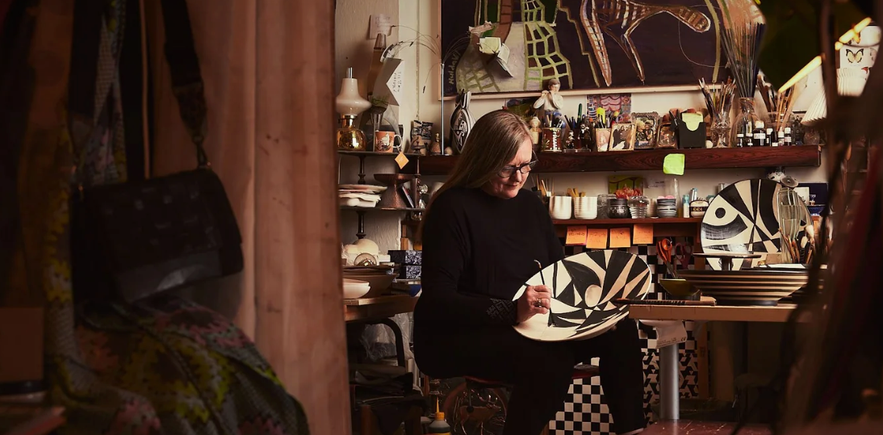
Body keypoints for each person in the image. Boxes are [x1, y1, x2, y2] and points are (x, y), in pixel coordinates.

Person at [413, 110, 647, 435]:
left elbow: (559, 275)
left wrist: (595, 308)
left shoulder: (530, 206)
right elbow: (439, 301)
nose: (519, 176)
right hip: (458, 334)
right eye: (508, 167)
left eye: (526, 164)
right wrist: (513, 310)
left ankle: (633, 431)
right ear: (483, 160)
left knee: (620, 332)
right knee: (549, 358)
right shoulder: (451, 208)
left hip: (528, 327)